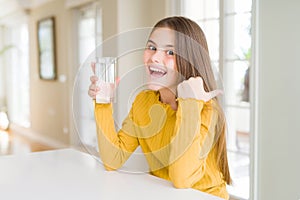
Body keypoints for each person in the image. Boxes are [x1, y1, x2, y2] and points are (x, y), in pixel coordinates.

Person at [88, 16, 231, 199]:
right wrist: (103, 101)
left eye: (170, 52)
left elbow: (181, 179)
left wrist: (190, 104)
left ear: (190, 60)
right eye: (152, 47)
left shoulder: (206, 110)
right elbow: (112, 159)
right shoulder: (144, 102)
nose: (154, 57)